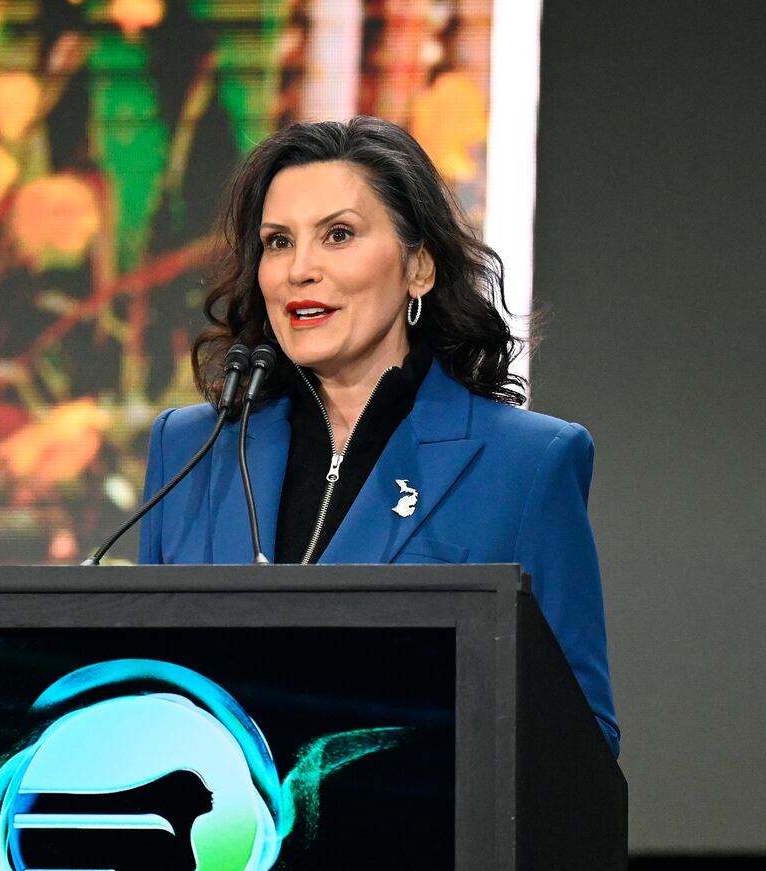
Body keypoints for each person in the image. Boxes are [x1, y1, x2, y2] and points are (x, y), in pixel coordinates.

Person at [138, 116, 618, 753]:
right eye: (277, 243)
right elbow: (141, 693)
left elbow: (581, 735)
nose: (299, 270)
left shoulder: (526, 465)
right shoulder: (189, 449)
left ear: (419, 267)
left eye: (338, 235)